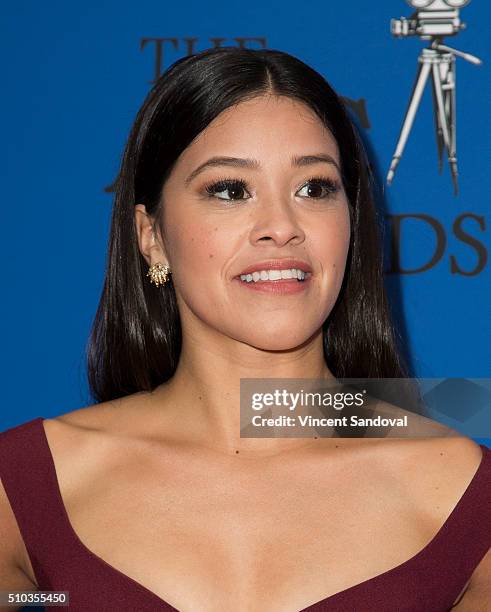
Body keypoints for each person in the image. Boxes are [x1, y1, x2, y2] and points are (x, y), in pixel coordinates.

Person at [0, 47, 489, 612]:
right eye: (230, 190)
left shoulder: (462, 499)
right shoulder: (24, 489)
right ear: (150, 234)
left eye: (314, 188)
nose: (282, 227)